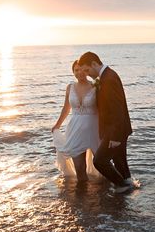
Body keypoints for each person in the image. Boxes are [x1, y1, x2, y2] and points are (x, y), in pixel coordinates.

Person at [77, 51, 134, 193]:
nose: (87, 74)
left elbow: (116, 110)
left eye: (87, 70)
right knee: (120, 161)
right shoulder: (107, 75)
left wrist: (114, 138)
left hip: (116, 130)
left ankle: (122, 185)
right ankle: (128, 187)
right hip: (119, 128)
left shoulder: (108, 79)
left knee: (99, 161)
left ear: (95, 64)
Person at [52, 60, 102, 182]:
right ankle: (81, 198)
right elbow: (66, 108)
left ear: (87, 70)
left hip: (93, 129)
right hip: (75, 130)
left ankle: (104, 196)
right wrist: (57, 125)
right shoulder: (70, 87)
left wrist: (105, 128)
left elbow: (102, 109)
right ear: (73, 72)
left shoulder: (95, 86)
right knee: (79, 167)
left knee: (101, 164)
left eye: (82, 69)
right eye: (76, 70)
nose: (80, 72)